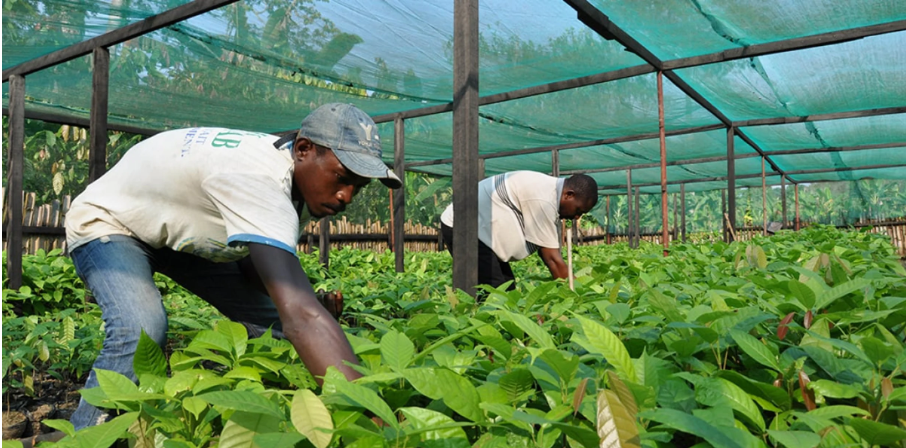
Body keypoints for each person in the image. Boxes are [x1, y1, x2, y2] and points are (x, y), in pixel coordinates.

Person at [63, 103, 401, 429]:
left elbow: (260, 275)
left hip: (169, 229)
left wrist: (312, 312)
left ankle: (275, 399)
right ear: (303, 149)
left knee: (276, 322)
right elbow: (300, 317)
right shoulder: (259, 181)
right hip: (110, 221)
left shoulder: (284, 177)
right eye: (341, 177)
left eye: (358, 186)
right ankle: (83, 436)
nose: (347, 196)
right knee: (141, 327)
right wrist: (371, 413)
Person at [440, 171, 598, 290]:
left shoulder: (550, 192)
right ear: (569, 195)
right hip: (462, 227)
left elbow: (546, 253)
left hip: (482, 233)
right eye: (579, 210)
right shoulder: (543, 198)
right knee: (495, 291)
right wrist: (578, 295)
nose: (577, 217)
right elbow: (552, 260)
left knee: (507, 288)